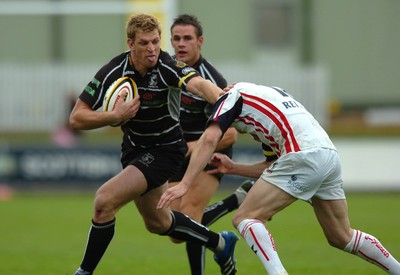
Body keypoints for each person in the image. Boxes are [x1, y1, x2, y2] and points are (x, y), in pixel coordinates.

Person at [158, 82, 400, 274]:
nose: (241, 131)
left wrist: (185, 184)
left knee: (246, 217)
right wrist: (233, 168)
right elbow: (273, 166)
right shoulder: (268, 94)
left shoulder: (228, 98)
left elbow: (209, 139)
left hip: (303, 155)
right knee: (341, 236)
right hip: (328, 155)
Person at [70, 14, 239, 275]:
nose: (152, 49)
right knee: (158, 223)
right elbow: (77, 117)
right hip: (134, 149)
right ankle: (220, 243)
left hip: (166, 150)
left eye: (156, 42)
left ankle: (83, 271)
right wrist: (113, 116)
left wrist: (222, 99)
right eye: (145, 43)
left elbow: (200, 84)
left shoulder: (167, 65)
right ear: (130, 44)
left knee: (104, 201)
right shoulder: (114, 70)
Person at [168, 14, 254, 275]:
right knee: (173, 228)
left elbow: (230, 135)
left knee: (191, 216)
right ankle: (234, 202)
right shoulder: (166, 70)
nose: (181, 44)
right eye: (176, 38)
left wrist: (195, 147)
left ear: (200, 41)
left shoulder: (212, 80)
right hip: (177, 153)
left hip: (210, 151)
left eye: (187, 38)